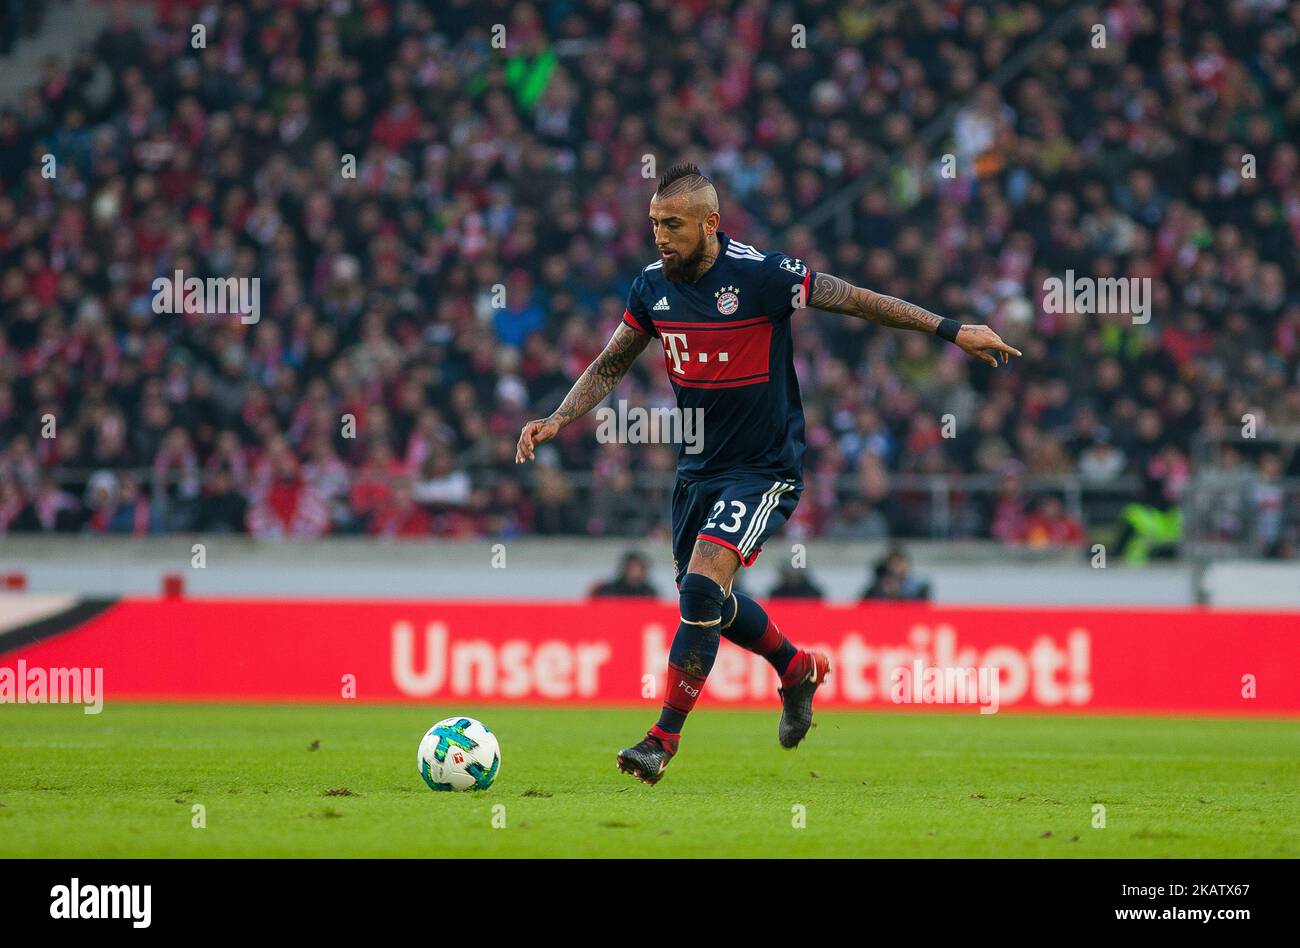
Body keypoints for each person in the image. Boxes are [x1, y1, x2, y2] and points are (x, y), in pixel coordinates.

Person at [516, 163, 1020, 784]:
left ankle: (660, 741)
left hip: (764, 468)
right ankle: (796, 667)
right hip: (697, 471)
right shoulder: (650, 288)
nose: (661, 237)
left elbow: (856, 300)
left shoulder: (762, 274)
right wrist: (557, 418)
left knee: (701, 591)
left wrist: (950, 329)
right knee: (708, 601)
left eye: (673, 225)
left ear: (711, 223)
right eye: (654, 225)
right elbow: (611, 363)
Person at [862, 546, 932, 601]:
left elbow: (921, 609)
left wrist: (896, 594)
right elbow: (863, 608)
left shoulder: (920, 587)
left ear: (907, 564)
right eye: (893, 563)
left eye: (899, 563)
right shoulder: (876, 588)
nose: (896, 568)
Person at [590, 551, 659, 598]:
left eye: (640, 570)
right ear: (624, 569)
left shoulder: (649, 593)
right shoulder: (609, 591)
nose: (636, 574)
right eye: (632, 569)